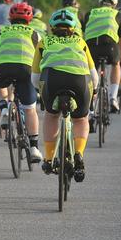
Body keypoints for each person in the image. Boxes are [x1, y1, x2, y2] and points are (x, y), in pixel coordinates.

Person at [32, 9, 98, 182]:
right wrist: (94, 90)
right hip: (79, 82)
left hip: (52, 80)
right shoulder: (81, 42)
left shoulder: (44, 42)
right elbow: (94, 75)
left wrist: (40, 91)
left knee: (51, 115)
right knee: (81, 119)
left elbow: (34, 77)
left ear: (52, 27)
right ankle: (78, 154)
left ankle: (48, 158)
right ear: (73, 28)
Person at [0, 2, 43, 163]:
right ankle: (33, 148)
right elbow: (42, 56)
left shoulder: (2, 31)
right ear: (30, 19)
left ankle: (4, 107)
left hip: (2, 67)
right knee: (30, 109)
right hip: (26, 68)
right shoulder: (35, 33)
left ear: (10, 18)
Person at [83, 0, 121, 112]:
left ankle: (90, 109)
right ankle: (113, 98)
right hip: (109, 46)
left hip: (92, 47)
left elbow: (83, 34)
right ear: (115, 4)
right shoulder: (118, 15)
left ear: (100, 3)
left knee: (92, 72)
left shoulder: (89, 13)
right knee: (116, 64)